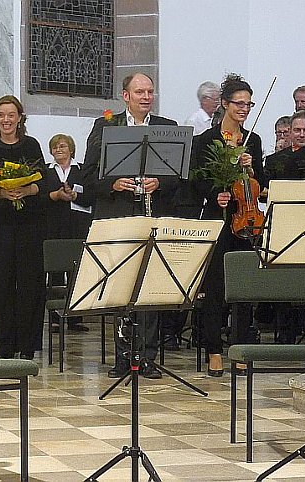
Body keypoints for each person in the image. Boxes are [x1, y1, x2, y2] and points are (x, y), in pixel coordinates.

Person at [83, 72, 179, 379]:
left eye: (150, 91)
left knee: (149, 287)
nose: (146, 96)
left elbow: (179, 177)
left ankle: (148, 356)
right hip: (118, 215)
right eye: (140, 91)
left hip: (153, 214)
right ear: (125, 96)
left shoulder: (167, 128)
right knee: (121, 284)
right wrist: (114, 184)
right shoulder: (105, 126)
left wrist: (159, 182)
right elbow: (86, 176)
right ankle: (123, 356)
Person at [189, 74, 265, 377]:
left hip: (246, 219)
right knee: (216, 289)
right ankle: (214, 351)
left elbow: (262, 182)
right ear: (224, 104)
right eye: (239, 103)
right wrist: (214, 194)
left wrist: (251, 167)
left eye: (249, 104)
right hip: (217, 219)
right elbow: (195, 180)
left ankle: (242, 348)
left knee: (244, 289)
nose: (244, 109)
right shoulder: (206, 140)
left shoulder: (253, 140)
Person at [0, 95, 47, 360]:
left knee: (30, 283)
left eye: (11, 115)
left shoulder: (31, 145)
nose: (6, 120)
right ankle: (3, 348)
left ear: (19, 118)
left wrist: (26, 189)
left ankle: (27, 347)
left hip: (29, 223)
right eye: (2, 115)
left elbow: (44, 183)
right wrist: (3, 193)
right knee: (1, 284)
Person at [44, 133, 95, 334]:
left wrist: (75, 195)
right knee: (55, 273)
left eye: (62, 146)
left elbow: (91, 196)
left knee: (76, 272)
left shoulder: (82, 170)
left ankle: (75, 317)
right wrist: (55, 196)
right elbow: (41, 197)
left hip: (77, 226)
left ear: (71, 149)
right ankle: (55, 318)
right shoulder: (46, 172)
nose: (59, 150)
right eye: (55, 147)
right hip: (53, 226)